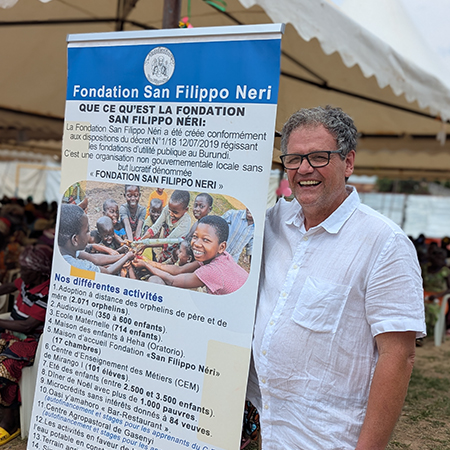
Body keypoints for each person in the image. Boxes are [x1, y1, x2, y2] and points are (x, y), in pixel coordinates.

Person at [246, 106, 425, 449]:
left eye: (319, 157)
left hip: (328, 439)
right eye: (294, 159)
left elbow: (398, 356)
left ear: (349, 162)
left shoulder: (384, 242)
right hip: (267, 429)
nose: (304, 169)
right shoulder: (272, 224)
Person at [0, 244, 53, 444]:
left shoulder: (47, 293)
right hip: (11, 334)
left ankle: (10, 422)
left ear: (39, 271)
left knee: (5, 367)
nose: (21, 274)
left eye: (25, 270)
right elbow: (8, 287)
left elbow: (27, 325)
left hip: (31, 342)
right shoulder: (27, 280)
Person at [134, 215, 248, 295]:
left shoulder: (213, 271)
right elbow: (180, 270)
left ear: (221, 247)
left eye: (206, 240)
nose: (196, 244)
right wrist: (147, 261)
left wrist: (146, 265)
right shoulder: (219, 256)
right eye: (195, 237)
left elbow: (172, 281)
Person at [58, 204, 133, 274]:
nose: (90, 234)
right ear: (75, 240)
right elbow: (108, 271)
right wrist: (127, 257)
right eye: (87, 231)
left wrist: (121, 256)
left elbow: (94, 258)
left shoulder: (67, 249)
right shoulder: (80, 267)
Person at [141, 190, 191, 263]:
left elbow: (168, 241)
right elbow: (155, 227)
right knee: (160, 261)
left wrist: (145, 245)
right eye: (170, 210)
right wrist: (140, 241)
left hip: (176, 253)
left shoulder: (185, 222)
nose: (171, 214)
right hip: (165, 248)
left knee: (166, 265)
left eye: (175, 212)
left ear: (186, 210)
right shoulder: (167, 209)